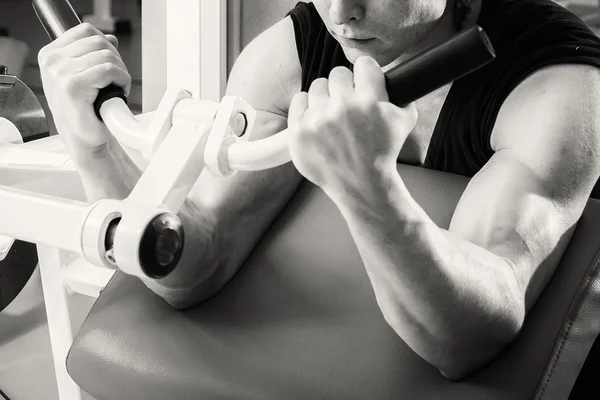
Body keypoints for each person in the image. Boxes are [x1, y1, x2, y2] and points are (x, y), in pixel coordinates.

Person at [37, 0, 600, 380]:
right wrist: (93, 148)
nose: (340, 12)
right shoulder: (292, 50)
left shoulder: (560, 85)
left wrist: (367, 188)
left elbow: (467, 341)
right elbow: (194, 265)